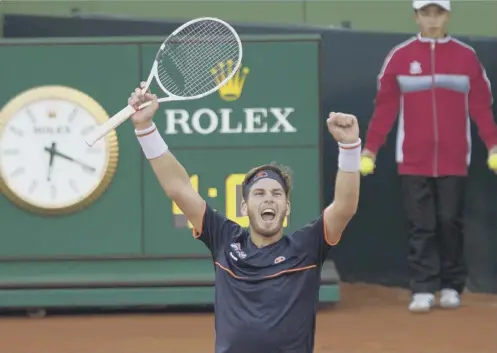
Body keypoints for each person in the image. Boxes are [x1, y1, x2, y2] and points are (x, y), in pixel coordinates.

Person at [129, 82, 361, 353]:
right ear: (244, 206)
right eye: (259, 193)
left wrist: (350, 148)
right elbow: (179, 189)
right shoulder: (224, 239)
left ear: (287, 207)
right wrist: (144, 128)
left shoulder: (306, 247)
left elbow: (344, 207)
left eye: (276, 194)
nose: (269, 199)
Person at [360, 0, 497, 313]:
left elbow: (480, 107)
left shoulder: (466, 58)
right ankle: (423, 288)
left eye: (438, 13)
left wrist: (493, 145)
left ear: (447, 16)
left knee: (449, 222)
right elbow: (385, 109)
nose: (432, 20)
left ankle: (450, 286)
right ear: (416, 17)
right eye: (426, 13)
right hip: (412, 158)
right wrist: (370, 148)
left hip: (454, 158)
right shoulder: (400, 57)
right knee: (420, 224)